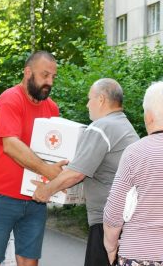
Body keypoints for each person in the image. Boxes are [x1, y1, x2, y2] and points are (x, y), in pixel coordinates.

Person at [32, 78, 139, 266]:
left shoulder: (101, 127)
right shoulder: (124, 126)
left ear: (101, 99)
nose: (87, 104)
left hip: (107, 223)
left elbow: (76, 173)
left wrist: (46, 190)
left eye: (89, 99)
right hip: (128, 222)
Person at [0, 51, 67, 266]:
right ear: (28, 72)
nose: (49, 82)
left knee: (29, 260)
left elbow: (55, 151)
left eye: (53, 77)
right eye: (45, 75)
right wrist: (49, 172)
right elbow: (11, 145)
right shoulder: (10, 99)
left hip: (35, 197)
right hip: (1, 195)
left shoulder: (51, 107)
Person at [103, 81, 163, 266]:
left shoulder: (136, 152)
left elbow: (115, 211)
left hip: (140, 253)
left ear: (149, 116)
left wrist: (111, 246)